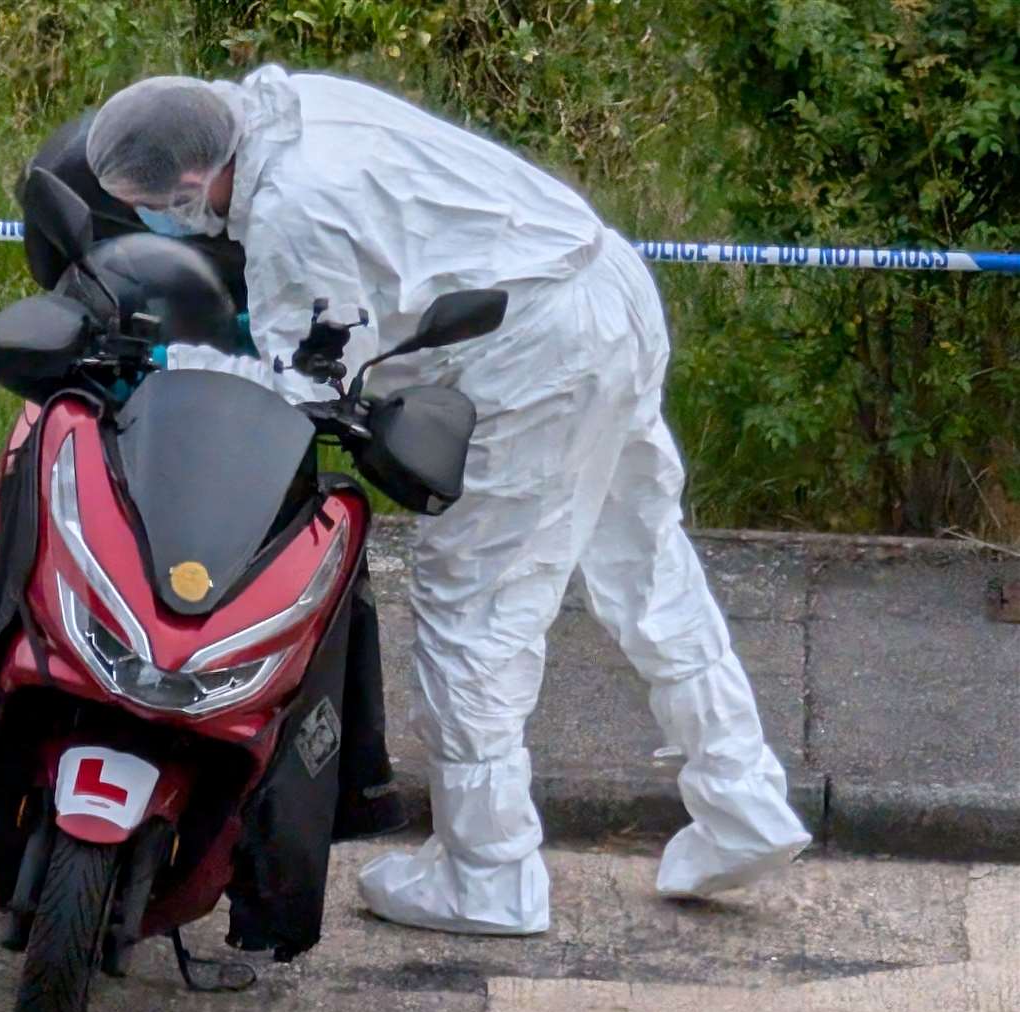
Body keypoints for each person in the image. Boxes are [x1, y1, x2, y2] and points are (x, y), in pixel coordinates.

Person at [84, 66, 812, 935]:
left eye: (159, 203)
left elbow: (300, 381)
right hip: (602, 284)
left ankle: (487, 874)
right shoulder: (293, 102)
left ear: (195, 184)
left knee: (472, 612)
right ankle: (743, 805)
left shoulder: (290, 214)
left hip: (531, 355)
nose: (163, 220)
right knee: (645, 562)